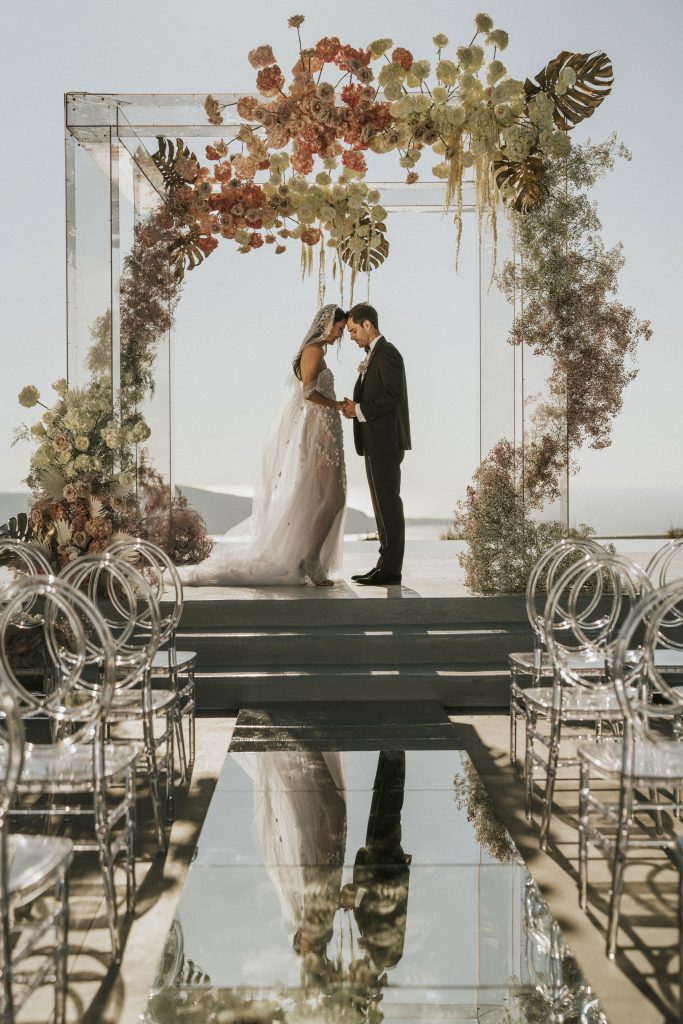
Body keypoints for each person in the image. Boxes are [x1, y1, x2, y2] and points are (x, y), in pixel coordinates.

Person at [180, 304, 347, 587]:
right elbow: (308, 392)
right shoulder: (314, 350)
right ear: (327, 324)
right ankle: (310, 559)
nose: (339, 336)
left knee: (325, 498)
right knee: (334, 498)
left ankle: (309, 557)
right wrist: (337, 404)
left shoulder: (319, 351)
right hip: (320, 429)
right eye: (339, 329)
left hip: (327, 427)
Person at [342, 304, 411, 586]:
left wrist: (358, 410)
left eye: (354, 330)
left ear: (368, 325)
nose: (351, 337)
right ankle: (384, 563)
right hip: (374, 442)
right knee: (381, 505)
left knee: (389, 505)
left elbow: (393, 396)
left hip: (385, 441)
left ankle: (392, 569)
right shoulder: (375, 356)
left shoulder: (388, 353)